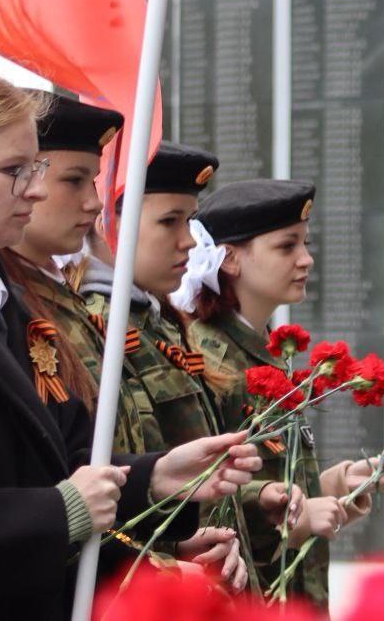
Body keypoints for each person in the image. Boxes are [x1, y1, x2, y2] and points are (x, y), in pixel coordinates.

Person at [0, 64, 262, 621]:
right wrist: (60, 511)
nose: (37, 189)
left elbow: (59, 463)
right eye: (15, 171)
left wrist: (156, 477)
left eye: (39, 169)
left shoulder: (4, 302)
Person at [0, 93, 251, 592]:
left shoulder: (56, 305)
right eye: (73, 180)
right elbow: (44, 492)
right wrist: (159, 567)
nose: (91, 204)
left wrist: (170, 548)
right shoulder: (27, 310)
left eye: (93, 182)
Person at [76, 144, 299, 586]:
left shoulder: (158, 325)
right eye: (169, 221)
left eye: (190, 222)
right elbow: (110, 485)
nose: (189, 241)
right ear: (109, 225)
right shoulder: (98, 326)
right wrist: (170, 558)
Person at [187, 178, 384, 605]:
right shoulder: (208, 359)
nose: (306, 259)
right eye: (287, 246)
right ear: (229, 259)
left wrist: (339, 484)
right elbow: (202, 504)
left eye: (304, 243)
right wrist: (297, 519)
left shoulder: (259, 352)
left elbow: (271, 483)